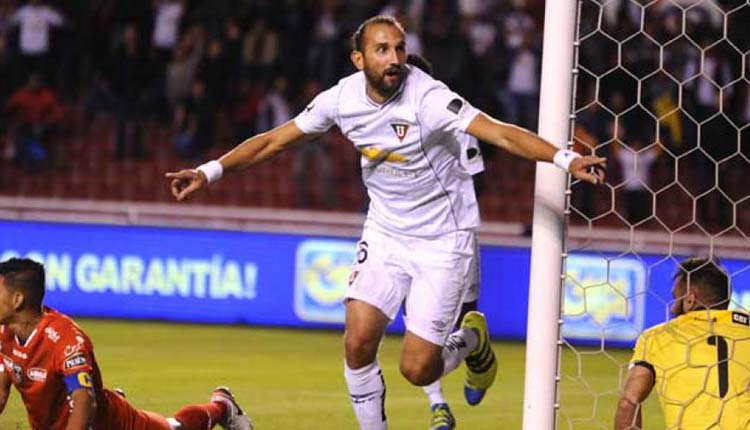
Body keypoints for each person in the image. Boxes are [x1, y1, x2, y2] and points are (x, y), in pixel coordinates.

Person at [166, 16, 605, 430]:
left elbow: (499, 132)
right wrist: (208, 172)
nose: (393, 58)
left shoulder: (428, 98)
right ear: (359, 60)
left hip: (441, 241)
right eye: (381, 50)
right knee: (357, 342)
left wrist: (565, 159)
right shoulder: (341, 99)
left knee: (417, 368)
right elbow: (274, 141)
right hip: (385, 233)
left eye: (399, 48)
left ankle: (472, 342)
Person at [0, 258, 253, 430]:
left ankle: (222, 406)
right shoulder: (5, 334)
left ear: (18, 299)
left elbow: (84, 400)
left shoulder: (65, 338)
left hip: (108, 423)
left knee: (175, 427)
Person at [406, 52, 482, 430]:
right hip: (406, 237)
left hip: (453, 235)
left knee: (464, 318)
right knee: (417, 330)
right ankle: (438, 405)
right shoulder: (386, 123)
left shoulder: (454, 116)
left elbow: (472, 173)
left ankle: (473, 345)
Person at [614, 257, 750, 430]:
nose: (671, 308)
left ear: (690, 300)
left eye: (675, 299)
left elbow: (628, 402)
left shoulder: (657, 337)